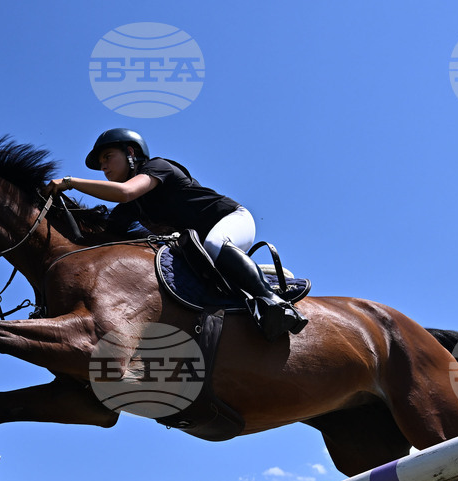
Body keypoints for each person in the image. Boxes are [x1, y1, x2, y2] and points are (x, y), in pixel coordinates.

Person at [47, 128, 307, 341]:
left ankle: (274, 303)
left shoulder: (158, 167)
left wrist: (70, 182)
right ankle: (257, 276)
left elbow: (124, 192)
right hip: (200, 249)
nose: (104, 167)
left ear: (130, 152)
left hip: (232, 220)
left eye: (107, 157)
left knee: (214, 244)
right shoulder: (131, 208)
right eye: (101, 163)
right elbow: (102, 236)